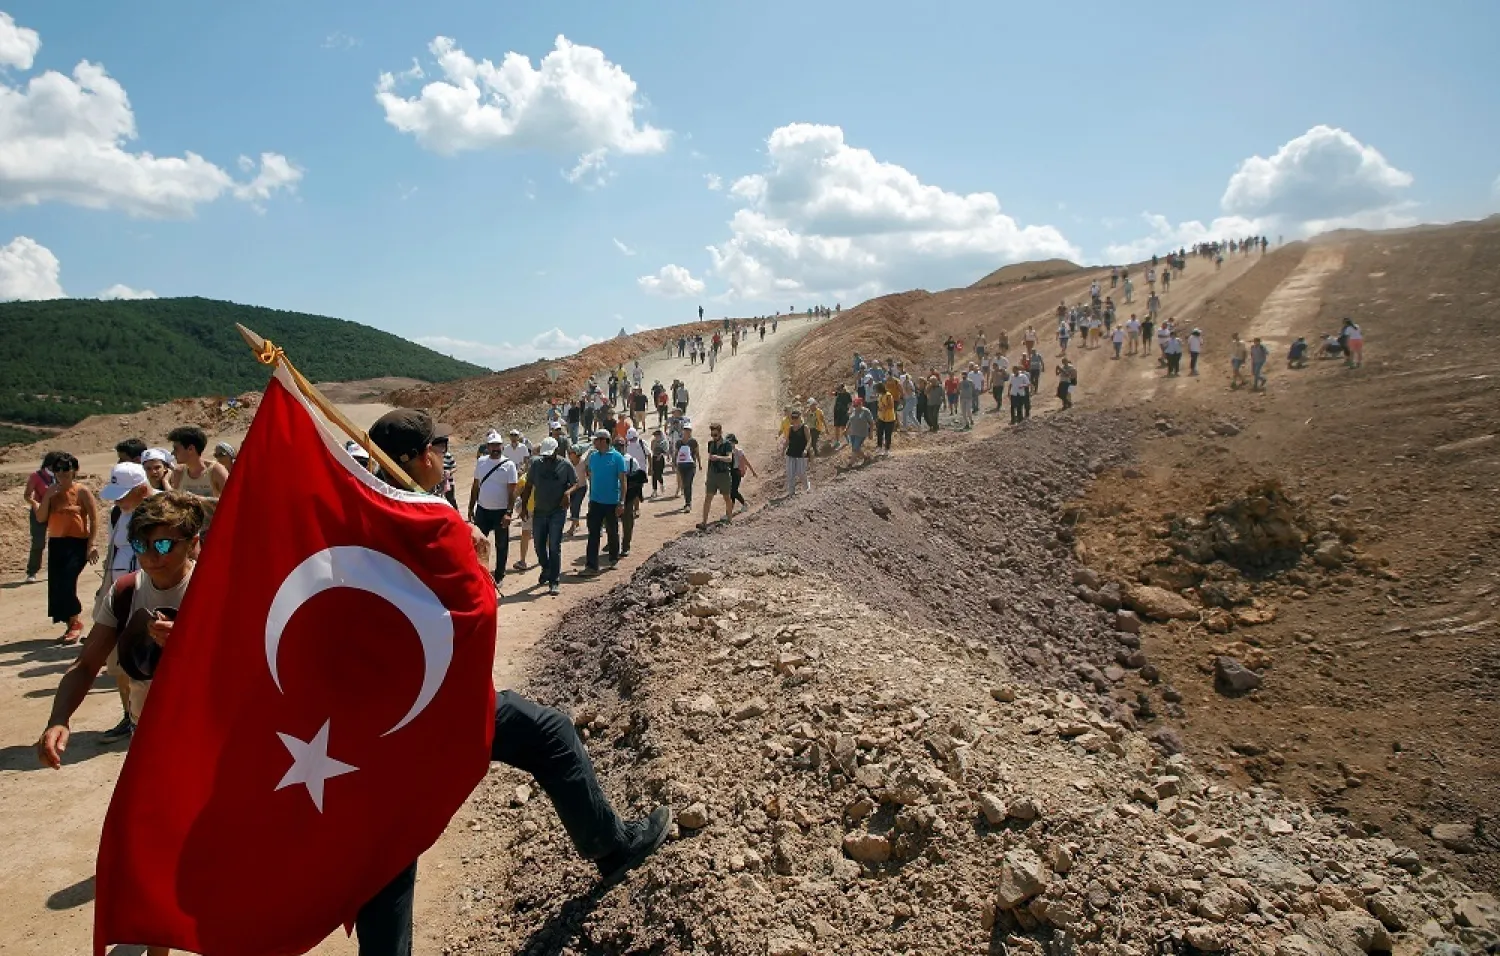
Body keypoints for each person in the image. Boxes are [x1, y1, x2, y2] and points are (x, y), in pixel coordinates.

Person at [349, 412, 671, 950]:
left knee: (394, 849)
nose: (442, 455)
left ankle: (611, 846)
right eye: (437, 445)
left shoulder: (358, 515)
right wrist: (474, 559)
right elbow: (473, 617)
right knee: (394, 847)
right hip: (431, 706)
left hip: (387, 708)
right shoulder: (423, 522)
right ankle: (611, 847)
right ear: (412, 458)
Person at [34, 453, 98, 643]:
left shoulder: (82, 491)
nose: (62, 473)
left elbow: (94, 519)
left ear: (74, 470)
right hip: (57, 542)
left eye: (66, 469)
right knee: (57, 585)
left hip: (77, 543)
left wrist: (91, 544)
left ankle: (76, 621)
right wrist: (46, 497)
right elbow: (40, 518)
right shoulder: (51, 492)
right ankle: (71, 623)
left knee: (68, 581)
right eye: (57, 470)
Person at [469, 431, 519, 585]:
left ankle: (499, 575)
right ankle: (479, 573)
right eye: (492, 446)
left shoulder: (509, 465)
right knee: (478, 543)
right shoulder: (481, 462)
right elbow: (475, 486)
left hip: (501, 512)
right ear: (488, 447)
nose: (495, 448)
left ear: (502, 446)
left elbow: (513, 491)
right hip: (483, 510)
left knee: (501, 544)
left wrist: (509, 512)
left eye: (498, 445)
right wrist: (471, 507)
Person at [581, 429, 628, 576]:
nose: (594, 442)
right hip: (595, 501)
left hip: (611, 502)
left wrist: (621, 502)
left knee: (612, 531)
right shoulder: (593, 457)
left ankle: (613, 558)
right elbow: (591, 476)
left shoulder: (617, 458)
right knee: (593, 533)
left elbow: (623, 481)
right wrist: (590, 498)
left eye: (596, 440)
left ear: (603, 440)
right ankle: (591, 565)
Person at [167, 426, 229, 502]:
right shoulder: (178, 473)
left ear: (191, 449)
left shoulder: (216, 471)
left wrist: (198, 499)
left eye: (176, 449)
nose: (172, 453)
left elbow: (231, 500)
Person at [23, 451, 58, 584]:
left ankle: (55, 569)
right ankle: (32, 571)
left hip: (56, 511)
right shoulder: (36, 476)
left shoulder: (60, 475)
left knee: (57, 541)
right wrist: (35, 504)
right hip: (39, 512)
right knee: (38, 542)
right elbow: (27, 495)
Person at [699, 424, 736, 530]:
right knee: (708, 498)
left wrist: (718, 457)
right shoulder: (711, 444)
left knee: (726, 497)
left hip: (723, 474)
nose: (714, 437)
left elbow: (729, 459)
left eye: (715, 434)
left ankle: (729, 519)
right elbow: (710, 460)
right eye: (712, 434)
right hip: (712, 474)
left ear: (720, 433)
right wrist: (707, 475)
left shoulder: (727, 444)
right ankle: (704, 523)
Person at [782, 409, 812, 495]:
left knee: (801, 472)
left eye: (796, 417)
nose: (794, 419)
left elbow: (809, 439)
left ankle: (807, 487)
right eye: (793, 418)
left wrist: (806, 449)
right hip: (791, 453)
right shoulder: (790, 429)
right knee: (790, 474)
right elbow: (787, 440)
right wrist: (783, 449)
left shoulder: (804, 428)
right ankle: (791, 492)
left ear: (800, 418)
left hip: (801, 454)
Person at [674, 422, 701, 512]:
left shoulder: (693, 442)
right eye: (685, 430)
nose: (687, 431)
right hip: (681, 466)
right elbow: (676, 454)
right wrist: (674, 464)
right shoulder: (679, 442)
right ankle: (687, 502)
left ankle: (688, 504)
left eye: (688, 430)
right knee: (685, 484)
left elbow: (697, 453)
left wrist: (700, 464)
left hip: (691, 465)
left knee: (687, 483)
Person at [727, 434, 757, 514]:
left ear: (734, 443)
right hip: (730, 473)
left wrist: (753, 471)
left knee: (734, 491)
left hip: (737, 472)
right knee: (732, 492)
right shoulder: (727, 453)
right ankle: (729, 511)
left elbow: (746, 461)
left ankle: (744, 504)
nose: (730, 444)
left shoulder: (738, 452)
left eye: (731, 442)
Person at [846, 397, 875, 465]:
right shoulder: (853, 410)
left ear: (860, 404)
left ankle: (850, 464)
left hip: (861, 433)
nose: (855, 407)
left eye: (856, 405)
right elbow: (850, 421)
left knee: (855, 448)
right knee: (855, 448)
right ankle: (866, 457)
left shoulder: (866, 411)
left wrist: (871, 433)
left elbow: (871, 422)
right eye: (854, 405)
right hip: (852, 432)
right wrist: (846, 429)